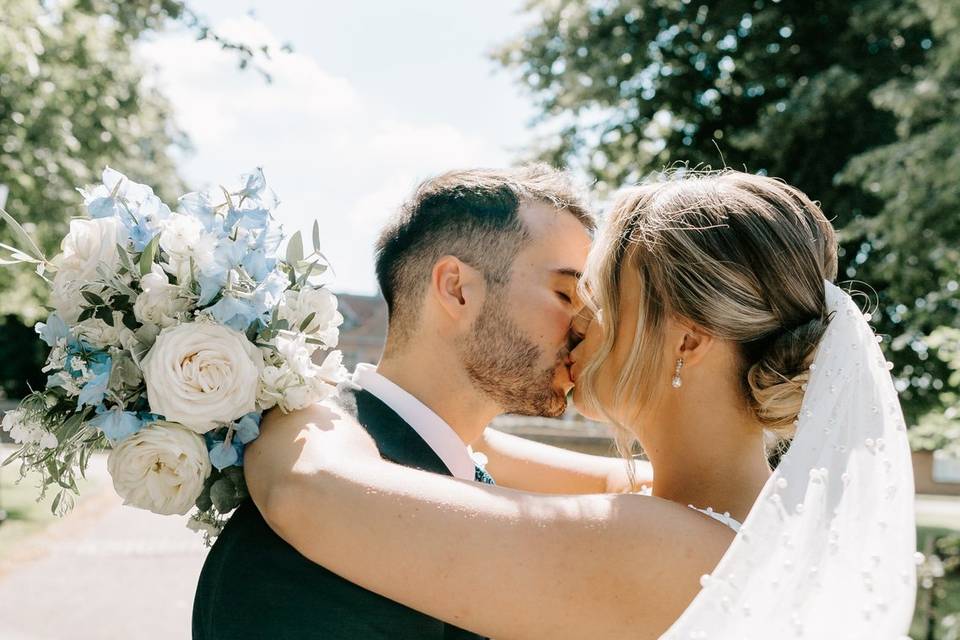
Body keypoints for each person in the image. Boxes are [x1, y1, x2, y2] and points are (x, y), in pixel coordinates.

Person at [246, 170, 917, 639]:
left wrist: (277, 379)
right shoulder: (740, 516)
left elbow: (306, 488)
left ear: (686, 341)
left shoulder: (658, 547)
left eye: (599, 300)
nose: (579, 327)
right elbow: (479, 451)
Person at [192, 164, 652, 640]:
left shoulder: (426, 458)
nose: (585, 328)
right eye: (565, 293)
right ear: (456, 288)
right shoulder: (316, 543)